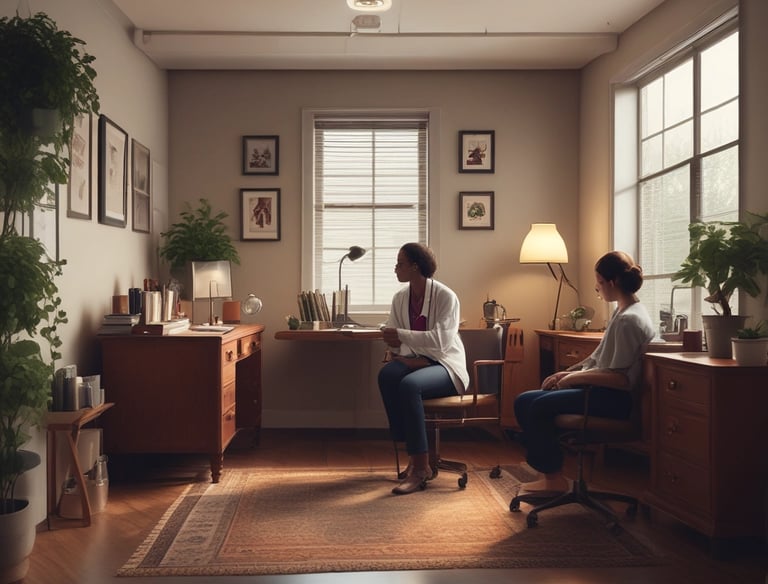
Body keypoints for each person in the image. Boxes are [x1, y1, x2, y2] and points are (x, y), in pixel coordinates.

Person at [514, 250, 655, 495]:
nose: (597, 288)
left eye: (599, 283)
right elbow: (598, 357)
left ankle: (553, 478)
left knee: (537, 407)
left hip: (613, 399)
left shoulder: (628, 321)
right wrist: (566, 372)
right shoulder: (622, 312)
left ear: (612, 282)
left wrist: (572, 378)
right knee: (524, 400)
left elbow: (620, 379)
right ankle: (551, 475)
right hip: (599, 391)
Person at [378, 243, 469, 495]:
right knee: (387, 375)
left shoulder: (445, 297)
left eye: (400, 263)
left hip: (446, 366)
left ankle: (421, 468)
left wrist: (402, 337)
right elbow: (394, 337)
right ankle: (410, 447)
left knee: (409, 385)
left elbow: (441, 341)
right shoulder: (400, 298)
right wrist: (402, 345)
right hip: (415, 360)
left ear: (415, 267)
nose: (395, 268)